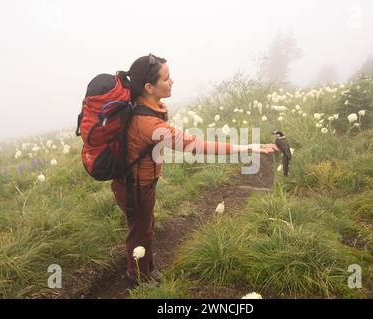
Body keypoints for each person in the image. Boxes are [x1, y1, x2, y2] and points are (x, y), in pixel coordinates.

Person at [111, 54, 277, 286]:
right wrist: (246, 147)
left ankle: (146, 269)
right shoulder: (148, 123)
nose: (172, 81)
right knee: (140, 231)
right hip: (135, 186)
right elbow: (197, 145)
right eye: (166, 78)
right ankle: (137, 277)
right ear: (148, 87)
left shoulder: (146, 106)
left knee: (146, 226)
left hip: (141, 182)